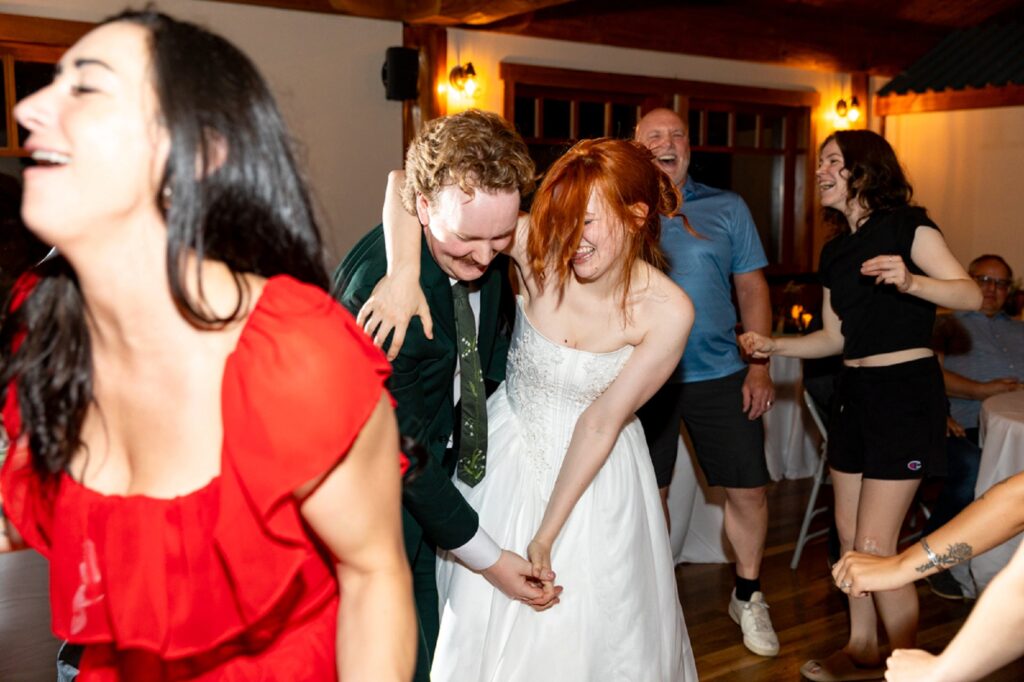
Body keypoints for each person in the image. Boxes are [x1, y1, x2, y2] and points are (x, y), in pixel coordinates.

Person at [0, 11, 415, 680]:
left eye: (88, 89)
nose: (29, 109)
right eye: (52, 84)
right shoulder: (47, 330)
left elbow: (373, 576)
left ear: (196, 156)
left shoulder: (294, 358)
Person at [367, 138, 698, 680]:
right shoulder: (540, 244)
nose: (571, 239)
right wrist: (403, 271)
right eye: (563, 219)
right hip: (504, 456)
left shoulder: (668, 311)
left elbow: (600, 423)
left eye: (587, 222)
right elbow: (405, 183)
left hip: (599, 478)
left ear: (636, 216)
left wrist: (546, 534)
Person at [740, 129, 981, 682]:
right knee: (849, 541)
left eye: (833, 161)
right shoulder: (835, 251)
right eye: (820, 162)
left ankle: (909, 665)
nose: (820, 171)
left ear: (866, 170)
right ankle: (863, 646)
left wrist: (911, 280)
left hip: (904, 394)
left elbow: (968, 293)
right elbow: (834, 338)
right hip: (855, 394)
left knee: (875, 547)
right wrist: (775, 346)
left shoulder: (909, 226)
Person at [332, 109, 559, 682]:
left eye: (500, 238)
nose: (485, 258)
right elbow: (400, 453)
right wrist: (490, 560)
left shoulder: (469, 239)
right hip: (372, 509)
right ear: (424, 208)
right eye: (468, 240)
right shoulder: (387, 306)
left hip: (435, 488)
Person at [634, 107, 781, 657]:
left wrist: (759, 365)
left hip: (721, 373)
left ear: (690, 147)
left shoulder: (727, 207)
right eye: (655, 135)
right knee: (649, 494)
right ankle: (655, 601)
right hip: (643, 378)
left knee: (748, 490)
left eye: (678, 134)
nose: (668, 143)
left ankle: (748, 594)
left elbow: (752, 288)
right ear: (636, 146)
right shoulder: (618, 206)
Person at [925, 253, 1024, 598]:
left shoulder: (1020, 329)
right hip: (961, 423)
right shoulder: (946, 323)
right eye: (983, 280)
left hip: (1016, 427)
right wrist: (982, 390)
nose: (992, 289)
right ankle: (935, 555)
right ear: (967, 280)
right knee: (973, 467)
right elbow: (930, 375)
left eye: (1000, 283)